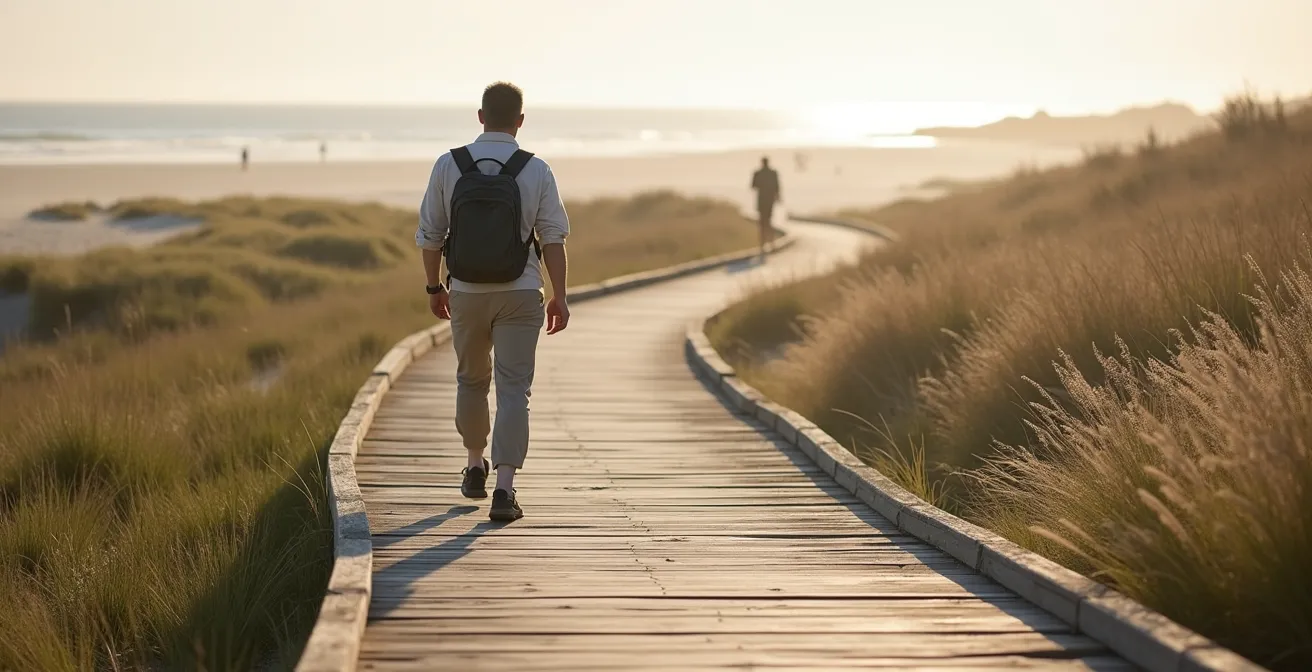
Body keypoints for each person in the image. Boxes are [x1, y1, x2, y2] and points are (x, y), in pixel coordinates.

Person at [416, 82, 570, 522]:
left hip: (465, 291)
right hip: (521, 292)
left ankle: (472, 465)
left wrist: (434, 288)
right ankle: (505, 489)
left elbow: (430, 234)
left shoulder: (450, 164)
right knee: (514, 389)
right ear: (520, 121)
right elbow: (553, 238)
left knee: (470, 379)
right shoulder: (536, 169)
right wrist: (559, 295)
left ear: (480, 116)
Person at [750, 156, 781, 259]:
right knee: (769, 222)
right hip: (769, 201)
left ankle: (762, 245)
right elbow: (777, 187)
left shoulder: (758, 173)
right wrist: (777, 197)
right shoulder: (773, 173)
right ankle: (771, 244)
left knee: (762, 223)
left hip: (762, 201)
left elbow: (753, 186)